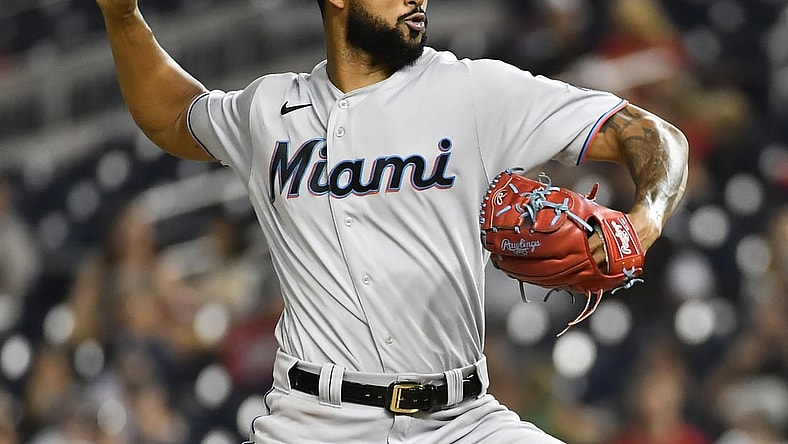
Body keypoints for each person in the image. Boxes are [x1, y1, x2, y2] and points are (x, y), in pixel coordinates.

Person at [95, 0, 689, 442]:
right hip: (314, 423)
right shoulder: (270, 112)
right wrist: (122, 17)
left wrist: (647, 216)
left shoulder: (473, 91)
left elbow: (652, 134)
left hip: (460, 420)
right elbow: (172, 116)